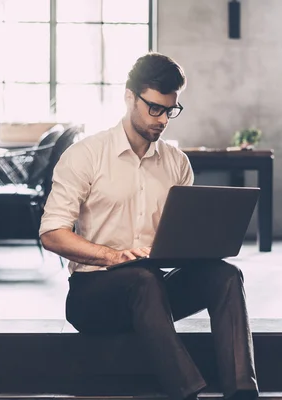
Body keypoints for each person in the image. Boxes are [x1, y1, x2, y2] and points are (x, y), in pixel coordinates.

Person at [39, 52, 258, 400]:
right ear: (130, 96)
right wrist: (112, 256)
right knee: (142, 279)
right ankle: (187, 393)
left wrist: (204, 246)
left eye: (170, 110)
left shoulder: (177, 163)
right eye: (154, 108)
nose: (162, 119)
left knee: (227, 275)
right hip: (93, 295)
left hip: (154, 290)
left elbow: (183, 238)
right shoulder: (85, 155)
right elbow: (52, 233)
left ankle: (242, 392)